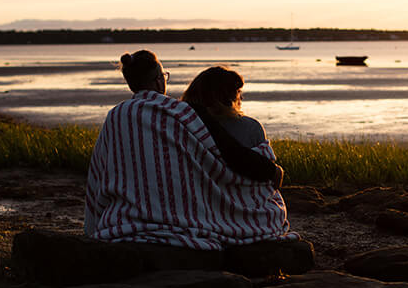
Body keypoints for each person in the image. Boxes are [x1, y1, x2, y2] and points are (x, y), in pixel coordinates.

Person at [84, 50, 294, 250]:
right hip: (178, 217)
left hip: (125, 217)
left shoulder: (116, 115)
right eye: (164, 75)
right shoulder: (181, 113)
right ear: (159, 80)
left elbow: (99, 170)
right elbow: (228, 153)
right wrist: (273, 171)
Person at [181, 66, 283, 187]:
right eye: (238, 93)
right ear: (228, 97)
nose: (241, 98)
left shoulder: (183, 125)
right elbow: (268, 179)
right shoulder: (251, 127)